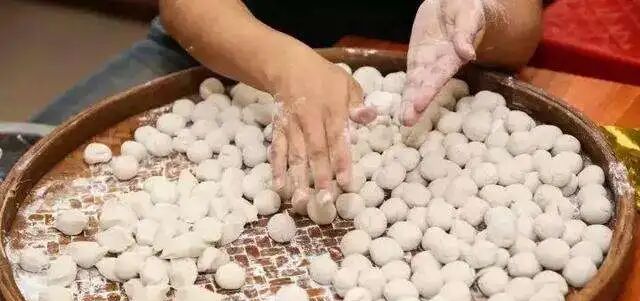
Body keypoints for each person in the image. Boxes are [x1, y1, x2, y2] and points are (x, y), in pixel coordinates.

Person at [32, 0, 542, 207]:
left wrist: (481, 13)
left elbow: (519, 28)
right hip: (223, 43)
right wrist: (285, 66)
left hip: (415, 57)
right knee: (23, 166)